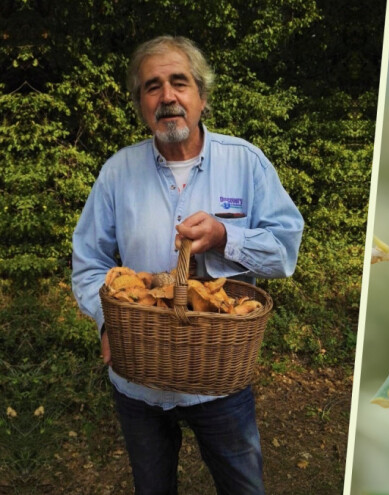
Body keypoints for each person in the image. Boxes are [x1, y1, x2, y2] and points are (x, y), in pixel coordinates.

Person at [71, 35, 304, 494]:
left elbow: (284, 252)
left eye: (179, 83)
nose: (167, 97)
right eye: (152, 87)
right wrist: (108, 322)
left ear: (201, 97)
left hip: (220, 382)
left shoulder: (246, 163)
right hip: (140, 382)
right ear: (140, 104)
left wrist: (224, 237)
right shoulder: (117, 173)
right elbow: (89, 263)